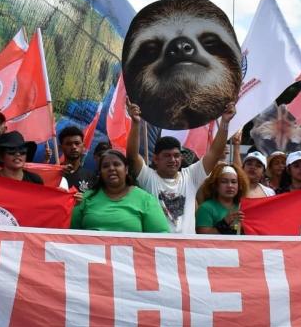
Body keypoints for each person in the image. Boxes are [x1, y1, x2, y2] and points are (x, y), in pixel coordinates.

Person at [126, 99, 236, 234]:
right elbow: (132, 156)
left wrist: (225, 122)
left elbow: (214, 153)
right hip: (157, 250)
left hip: (186, 250)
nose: (173, 160)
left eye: (177, 155)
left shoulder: (190, 176)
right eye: (167, 155)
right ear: (155, 159)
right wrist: (136, 123)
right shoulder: (148, 177)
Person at [71, 149, 169, 233]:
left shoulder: (146, 199)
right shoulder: (85, 199)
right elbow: (70, 234)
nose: (111, 168)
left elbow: (161, 236)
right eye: (105, 166)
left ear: (126, 170)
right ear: (100, 172)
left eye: (117, 164)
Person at [196, 163, 249, 234]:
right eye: (224, 182)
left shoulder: (244, 207)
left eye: (234, 182)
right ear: (215, 185)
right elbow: (202, 237)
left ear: (239, 185)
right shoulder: (205, 208)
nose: (230, 186)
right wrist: (224, 223)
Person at [58, 125, 93, 193]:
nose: (74, 147)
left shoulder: (91, 178)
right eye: (68, 144)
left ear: (83, 146)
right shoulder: (52, 174)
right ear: (60, 148)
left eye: (77, 143)